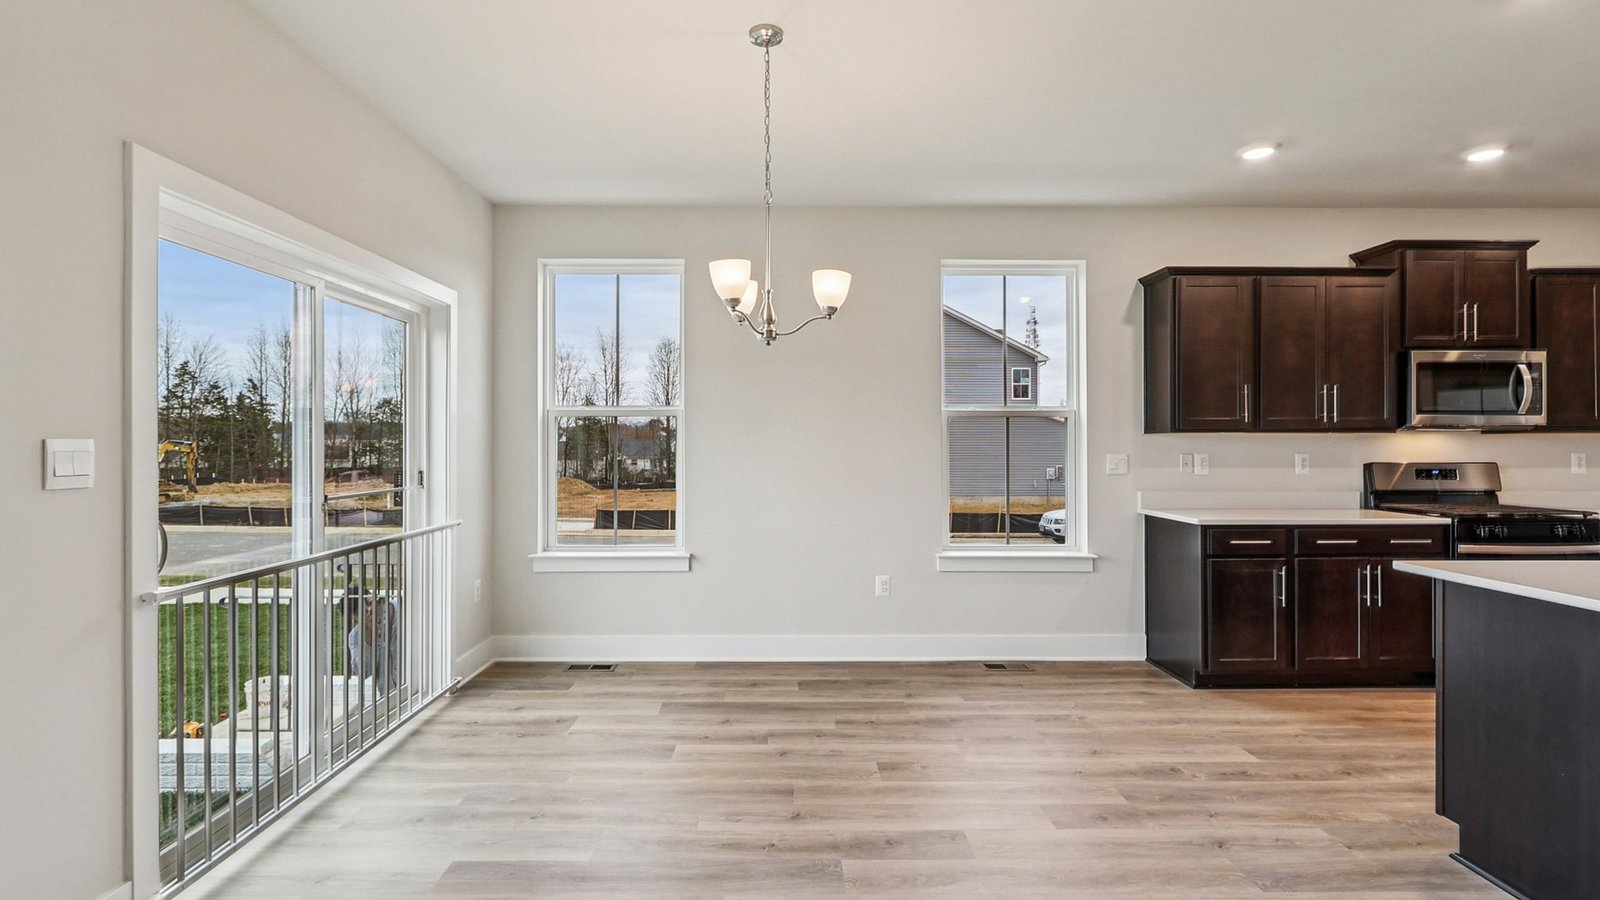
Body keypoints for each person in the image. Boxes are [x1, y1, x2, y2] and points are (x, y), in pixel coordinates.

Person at [344, 583, 398, 695]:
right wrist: (369, 638)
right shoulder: (356, 635)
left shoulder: (404, 610)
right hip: (388, 696)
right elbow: (364, 672)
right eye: (359, 619)